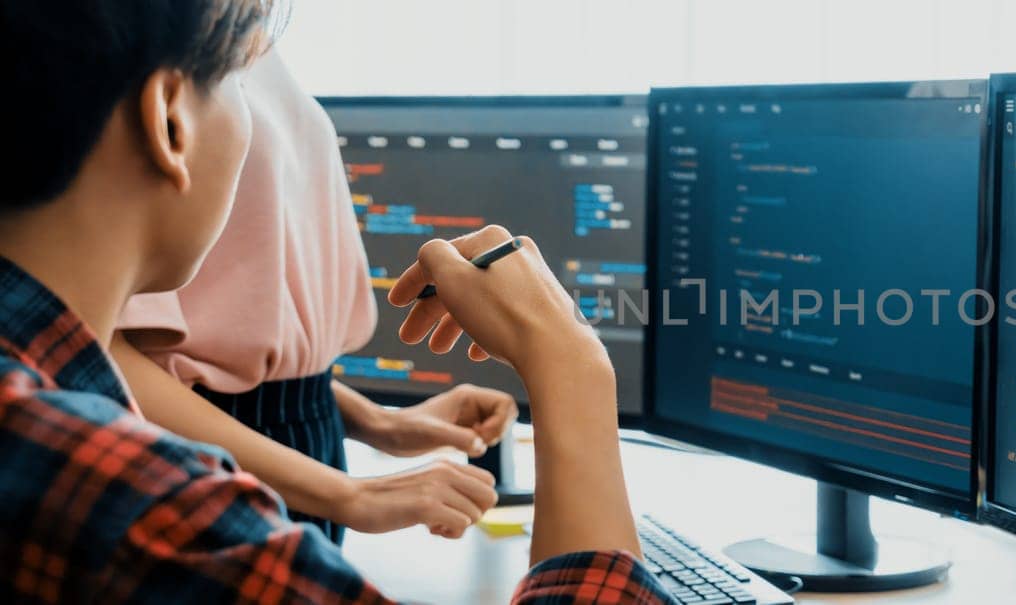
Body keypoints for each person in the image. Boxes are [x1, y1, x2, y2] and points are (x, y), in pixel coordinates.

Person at [0, 1, 668, 602]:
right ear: (170, 121)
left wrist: (372, 419)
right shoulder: (145, 512)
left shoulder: (48, 395)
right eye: (235, 82)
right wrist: (572, 365)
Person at [110, 47, 519, 545]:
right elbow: (97, 349)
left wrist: (377, 423)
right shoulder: (155, 33)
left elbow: (244, 348)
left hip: (302, 448)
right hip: (211, 466)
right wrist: (351, 495)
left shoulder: (257, 41)